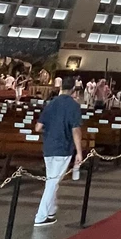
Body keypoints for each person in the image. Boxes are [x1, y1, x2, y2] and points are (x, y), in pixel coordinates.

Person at [34, 76, 83, 227]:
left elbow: (38, 127)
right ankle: (40, 216)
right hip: (63, 147)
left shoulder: (51, 103)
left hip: (49, 146)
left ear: (61, 87)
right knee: (52, 182)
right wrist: (79, 152)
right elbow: (76, 130)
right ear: (73, 89)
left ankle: (51, 210)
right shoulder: (73, 106)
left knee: (51, 179)